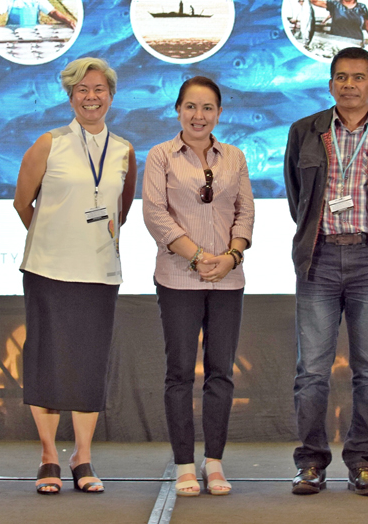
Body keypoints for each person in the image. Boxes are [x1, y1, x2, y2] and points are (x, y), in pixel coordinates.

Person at [284, 47, 368, 497]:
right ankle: (311, 464)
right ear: (330, 84)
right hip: (317, 259)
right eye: (341, 77)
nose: (349, 85)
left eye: (359, 78)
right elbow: (297, 197)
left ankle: (363, 461)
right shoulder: (305, 132)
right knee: (311, 372)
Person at [13, 57, 136, 495]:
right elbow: (22, 203)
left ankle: (82, 456)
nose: (91, 97)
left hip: (99, 273)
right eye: (82, 89)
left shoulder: (123, 150)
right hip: (48, 269)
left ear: (111, 96)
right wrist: (56, 238)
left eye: (99, 89)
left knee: (88, 363)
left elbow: (122, 209)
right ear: (70, 96)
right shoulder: (48, 143)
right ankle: (48, 455)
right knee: (46, 360)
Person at [143, 76, 255, 497]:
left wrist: (231, 257)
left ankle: (215, 463)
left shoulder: (236, 157)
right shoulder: (160, 157)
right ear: (177, 110)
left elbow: (245, 213)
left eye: (207, 108)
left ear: (219, 113)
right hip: (177, 278)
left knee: (221, 374)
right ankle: (184, 465)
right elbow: (155, 214)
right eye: (190, 107)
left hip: (228, 280)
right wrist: (196, 256)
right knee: (178, 374)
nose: (198, 115)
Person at [302, 0, 368, 43]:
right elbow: (315, 2)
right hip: (336, 42)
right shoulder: (334, 4)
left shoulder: (362, 7)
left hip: (356, 43)